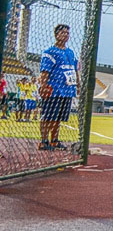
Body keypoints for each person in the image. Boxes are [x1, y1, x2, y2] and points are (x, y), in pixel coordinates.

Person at [38, 23, 79, 151]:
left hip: (67, 90)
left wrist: (78, 84)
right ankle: (44, 141)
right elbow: (45, 71)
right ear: (56, 35)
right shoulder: (50, 52)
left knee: (58, 118)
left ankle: (54, 140)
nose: (65, 35)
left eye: (67, 33)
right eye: (63, 33)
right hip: (54, 90)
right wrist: (43, 85)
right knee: (48, 116)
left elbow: (74, 69)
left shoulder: (70, 53)